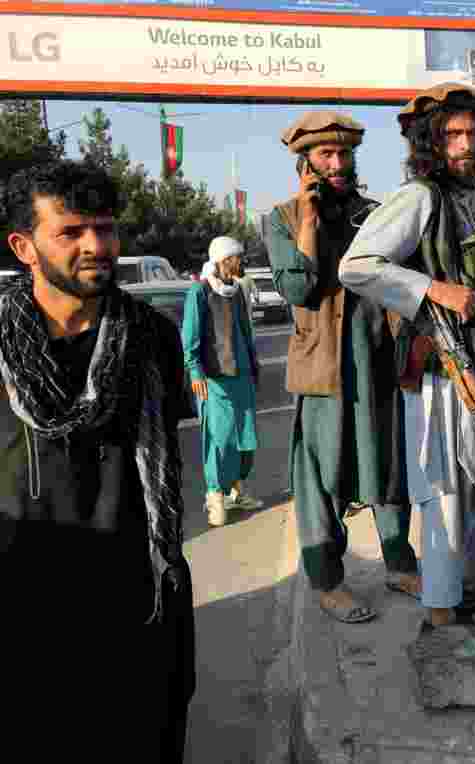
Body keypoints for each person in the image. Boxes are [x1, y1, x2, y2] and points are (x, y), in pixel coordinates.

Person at [0, 159, 194, 760]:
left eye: (106, 229)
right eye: (72, 232)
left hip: (136, 610)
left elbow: (162, 457)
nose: (97, 247)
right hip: (20, 619)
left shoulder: (152, 337)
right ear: (23, 246)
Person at [339, 83, 475, 629]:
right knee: (442, 486)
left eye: (470, 133)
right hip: (441, 366)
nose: (463, 144)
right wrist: (432, 289)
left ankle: (469, 583)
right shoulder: (420, 195)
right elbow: (358, 265)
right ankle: (440, 608)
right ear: (431, 142)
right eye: (451, 135)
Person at [265, 111, 419, 624]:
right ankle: (328, 580)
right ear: (303, 165)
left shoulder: (374, 214)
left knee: (388, 466)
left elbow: (401, 283)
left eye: (344, 155)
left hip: (376, 359)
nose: (336, 163)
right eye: (325, 155)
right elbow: (297, 290)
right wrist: (309, 223)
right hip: (322, 368)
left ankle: (400, 563)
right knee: (322, 475)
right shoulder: (282, 219)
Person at [182, 236, 263, 527]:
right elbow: (190, 337)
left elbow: (246, 331)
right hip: (214, 379)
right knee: (219, 439)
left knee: (245, 438)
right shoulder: (199, 292)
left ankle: (236, 492)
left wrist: (253, 366)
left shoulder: (237, 291)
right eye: (237, 257)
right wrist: (195, 371)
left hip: (241, 376)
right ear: (223, 260)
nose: (241, 262)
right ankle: (215, 496)